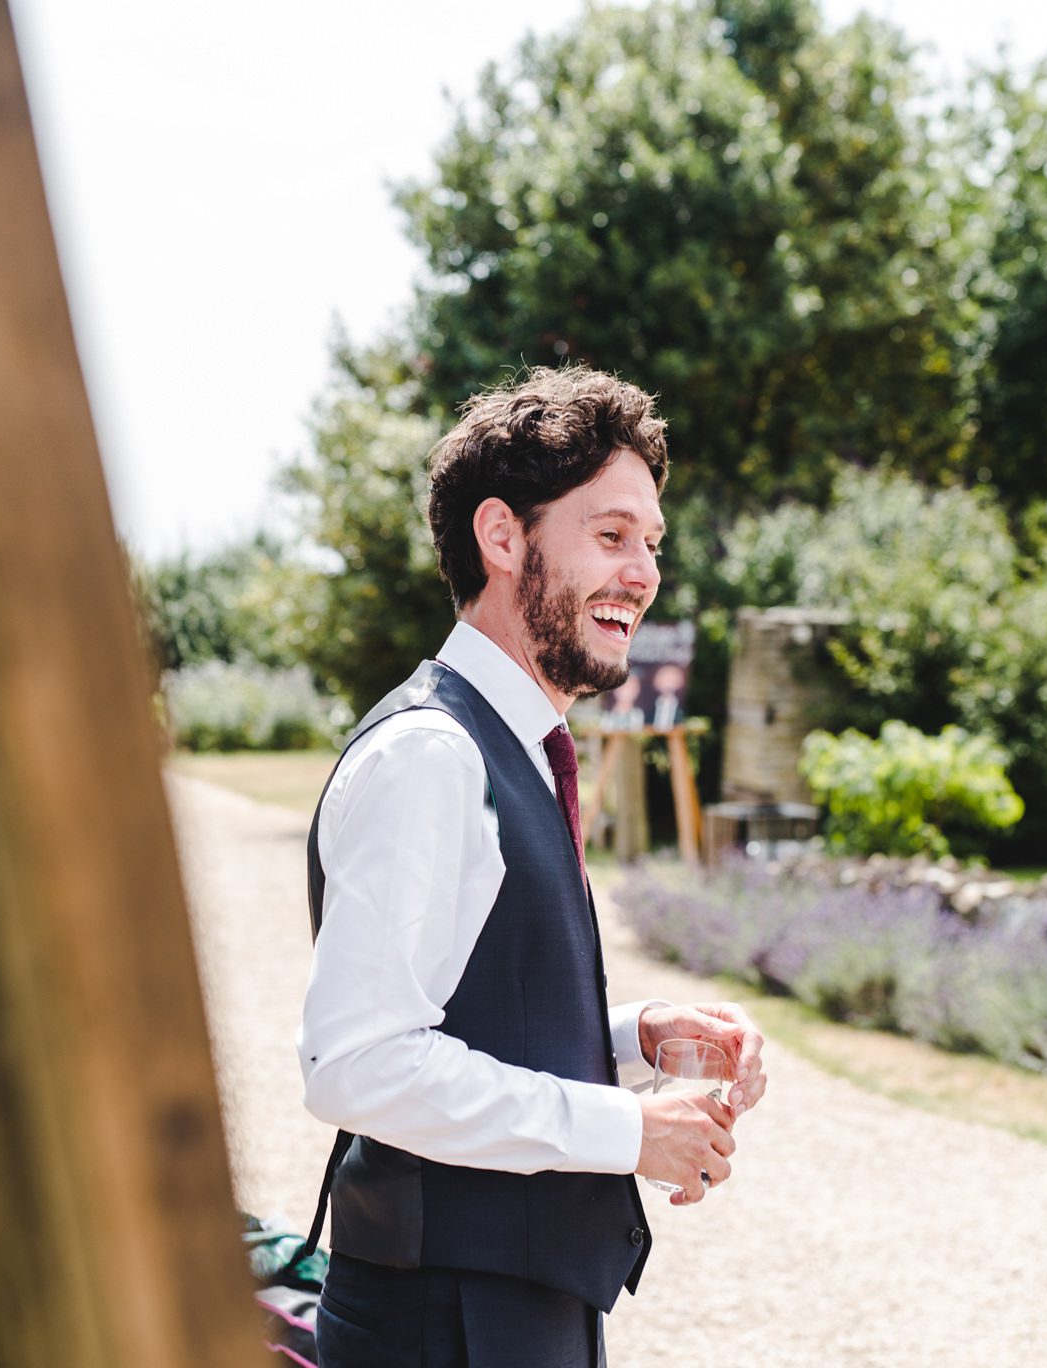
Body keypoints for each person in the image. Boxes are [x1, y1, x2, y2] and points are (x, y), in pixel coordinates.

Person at [297, 366, 768, 1367]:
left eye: (649, 543)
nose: (641, 572)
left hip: (505, 1321)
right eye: (608, 536)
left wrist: (637, 1037)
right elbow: (358, 1064)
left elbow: (464, 1016)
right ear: (504, 538)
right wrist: (625, 1131)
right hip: (441, 1331)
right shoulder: (432, 755)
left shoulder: (511, 746)